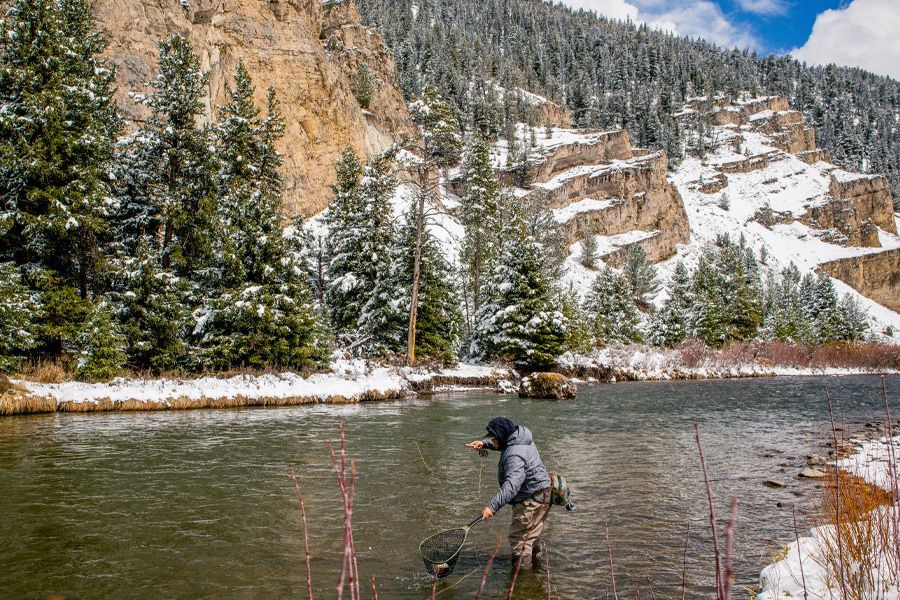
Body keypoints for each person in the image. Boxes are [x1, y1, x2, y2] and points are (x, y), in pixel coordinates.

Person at [466, 416, 552, 570]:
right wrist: (484, 444)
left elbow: (511, 486)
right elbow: (505, 443)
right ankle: (536, 571)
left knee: (520, 539)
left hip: (530, 500)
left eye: (494, 439)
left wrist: (492, 507)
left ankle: (521, 577)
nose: (492, 441)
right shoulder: (521, 437)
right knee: (532, 534)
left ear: (502, 437)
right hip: (544, 493)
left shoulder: (514, 455)